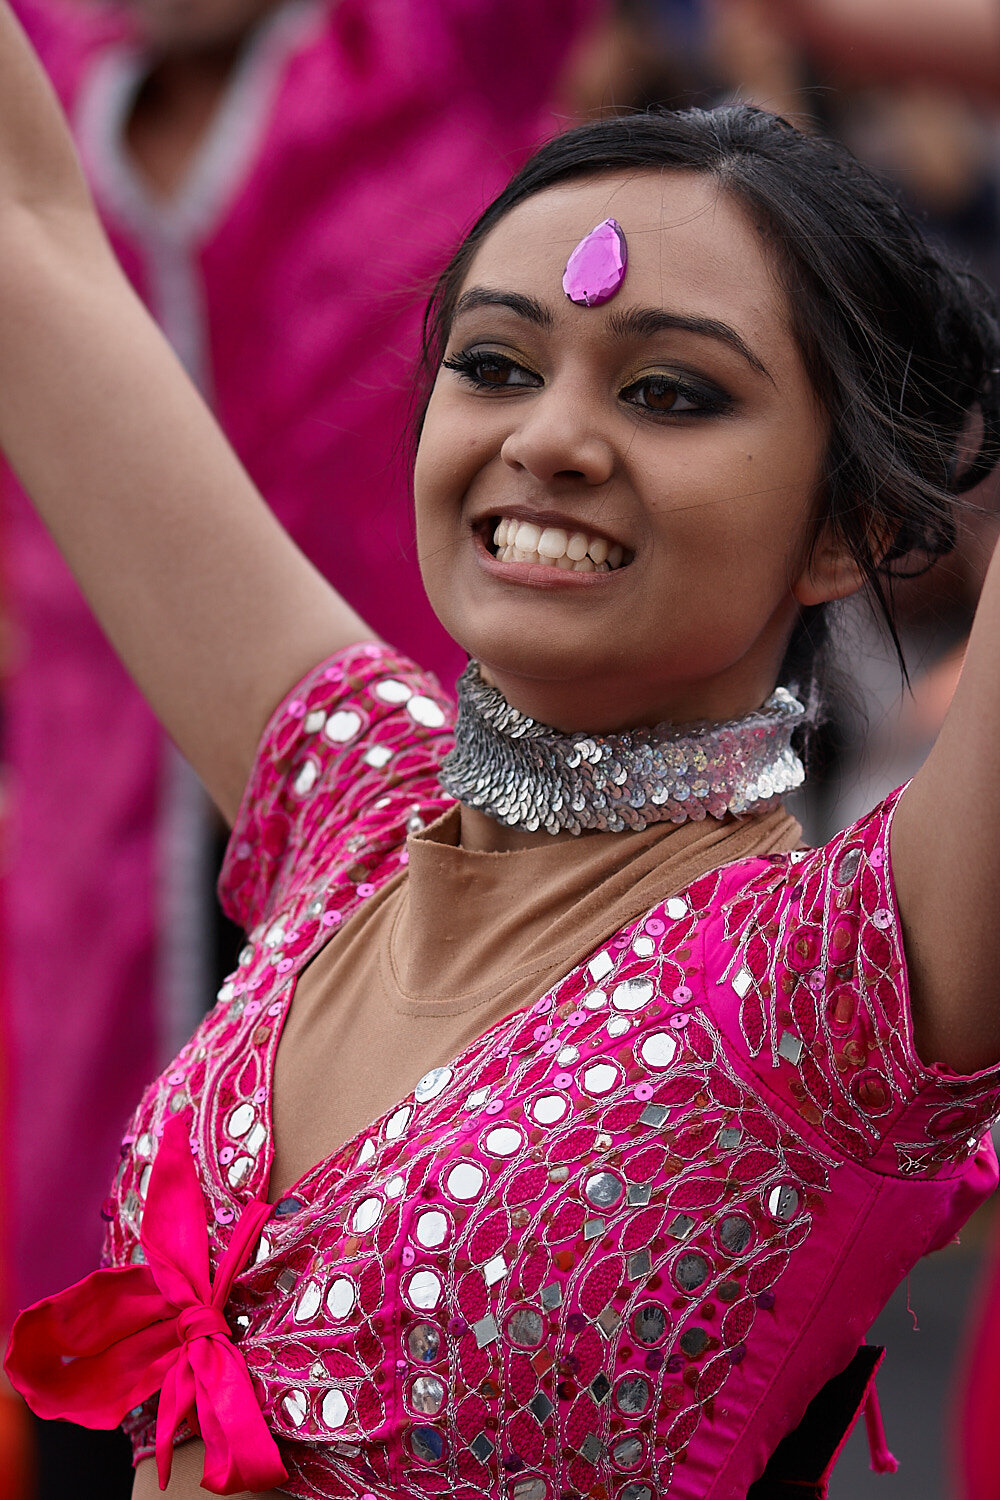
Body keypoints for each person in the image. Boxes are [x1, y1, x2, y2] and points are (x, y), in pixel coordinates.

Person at [2, 6, 1000, 1495]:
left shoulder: (834, 983)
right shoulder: (355, 808)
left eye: (671, 391)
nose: (552, 437)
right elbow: (32, 227)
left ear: (845, 526)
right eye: (495, 362)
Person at [1, 0, 597, 1376]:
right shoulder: (59, 79)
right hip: (98, 846)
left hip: (401, 797)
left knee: (407, 1299)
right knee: (103, 1308)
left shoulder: (432, 47)